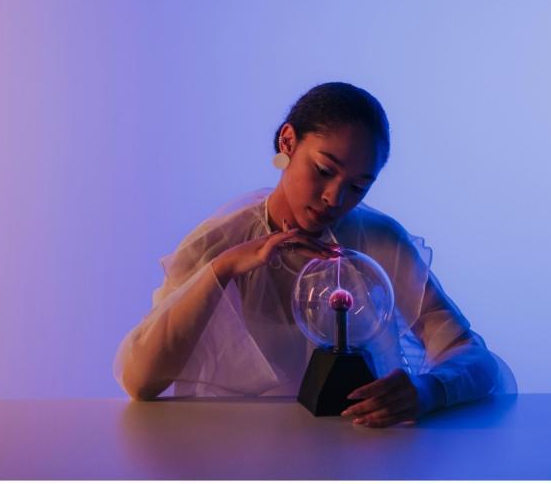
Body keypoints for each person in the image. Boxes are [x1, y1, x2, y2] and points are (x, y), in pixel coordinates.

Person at [114, 82, 511, 428]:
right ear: (288, 142)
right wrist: (225, 268)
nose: (335, 198)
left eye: (358, 187)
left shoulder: (380, 242)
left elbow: (474, 357)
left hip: (359, 452)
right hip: (237, 451)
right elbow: (139, 382)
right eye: (324, 170)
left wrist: (428, 390)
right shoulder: (217, 244)